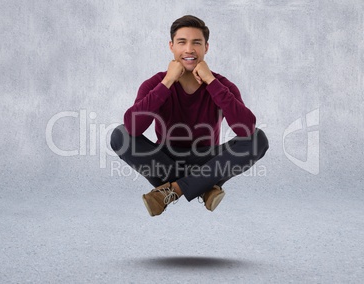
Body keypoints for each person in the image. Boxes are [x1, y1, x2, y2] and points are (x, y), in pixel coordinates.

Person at [111, 15, 269, 217]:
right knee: (119, 135)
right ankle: (204, 186)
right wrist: (167, 81)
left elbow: (245, 130)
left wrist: (210, 81)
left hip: (209, 160)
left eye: (196, 42)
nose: (189, 49)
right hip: (165, 160)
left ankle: (172, 190)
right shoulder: (155, 84)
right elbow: (133, 128)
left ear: (206, 48)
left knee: (258, 138)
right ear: (171, 46)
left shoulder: (222, 85)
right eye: (182, 42)